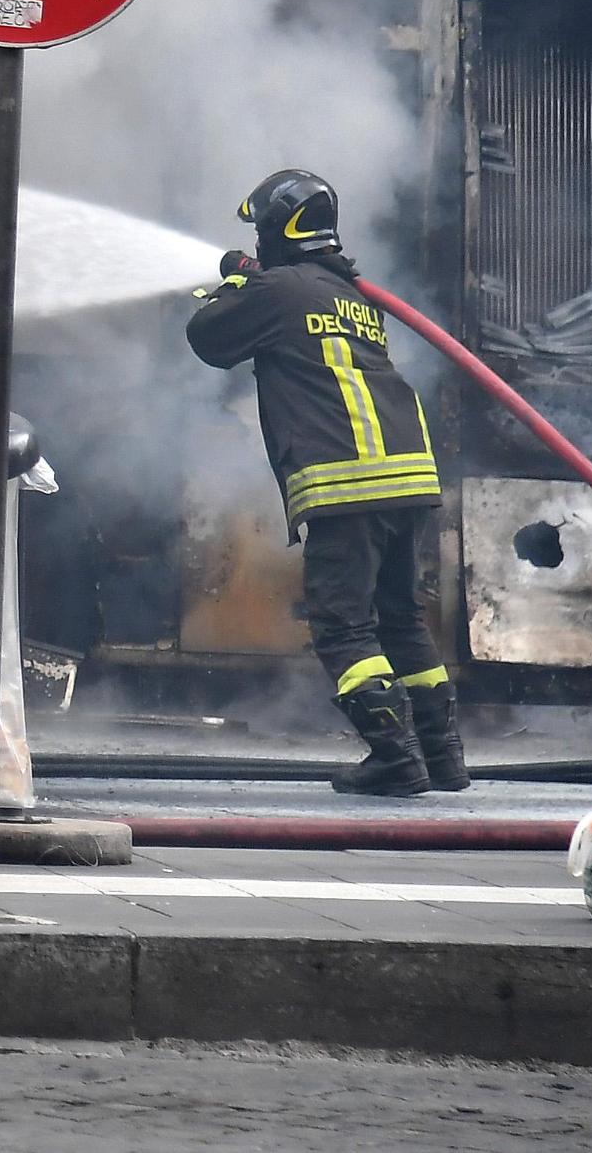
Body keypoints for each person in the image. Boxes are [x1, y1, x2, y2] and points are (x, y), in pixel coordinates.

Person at [184, 169, 466, 796]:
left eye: (260, 231)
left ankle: (396, 757)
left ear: (279, 230)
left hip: (348, 481)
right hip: (407, 476)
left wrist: (237, 282)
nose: (256, 242)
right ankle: (443, 759)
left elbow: (208, 338)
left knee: (343, 624)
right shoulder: (353, 297)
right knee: (401, 618)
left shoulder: (279, 289)